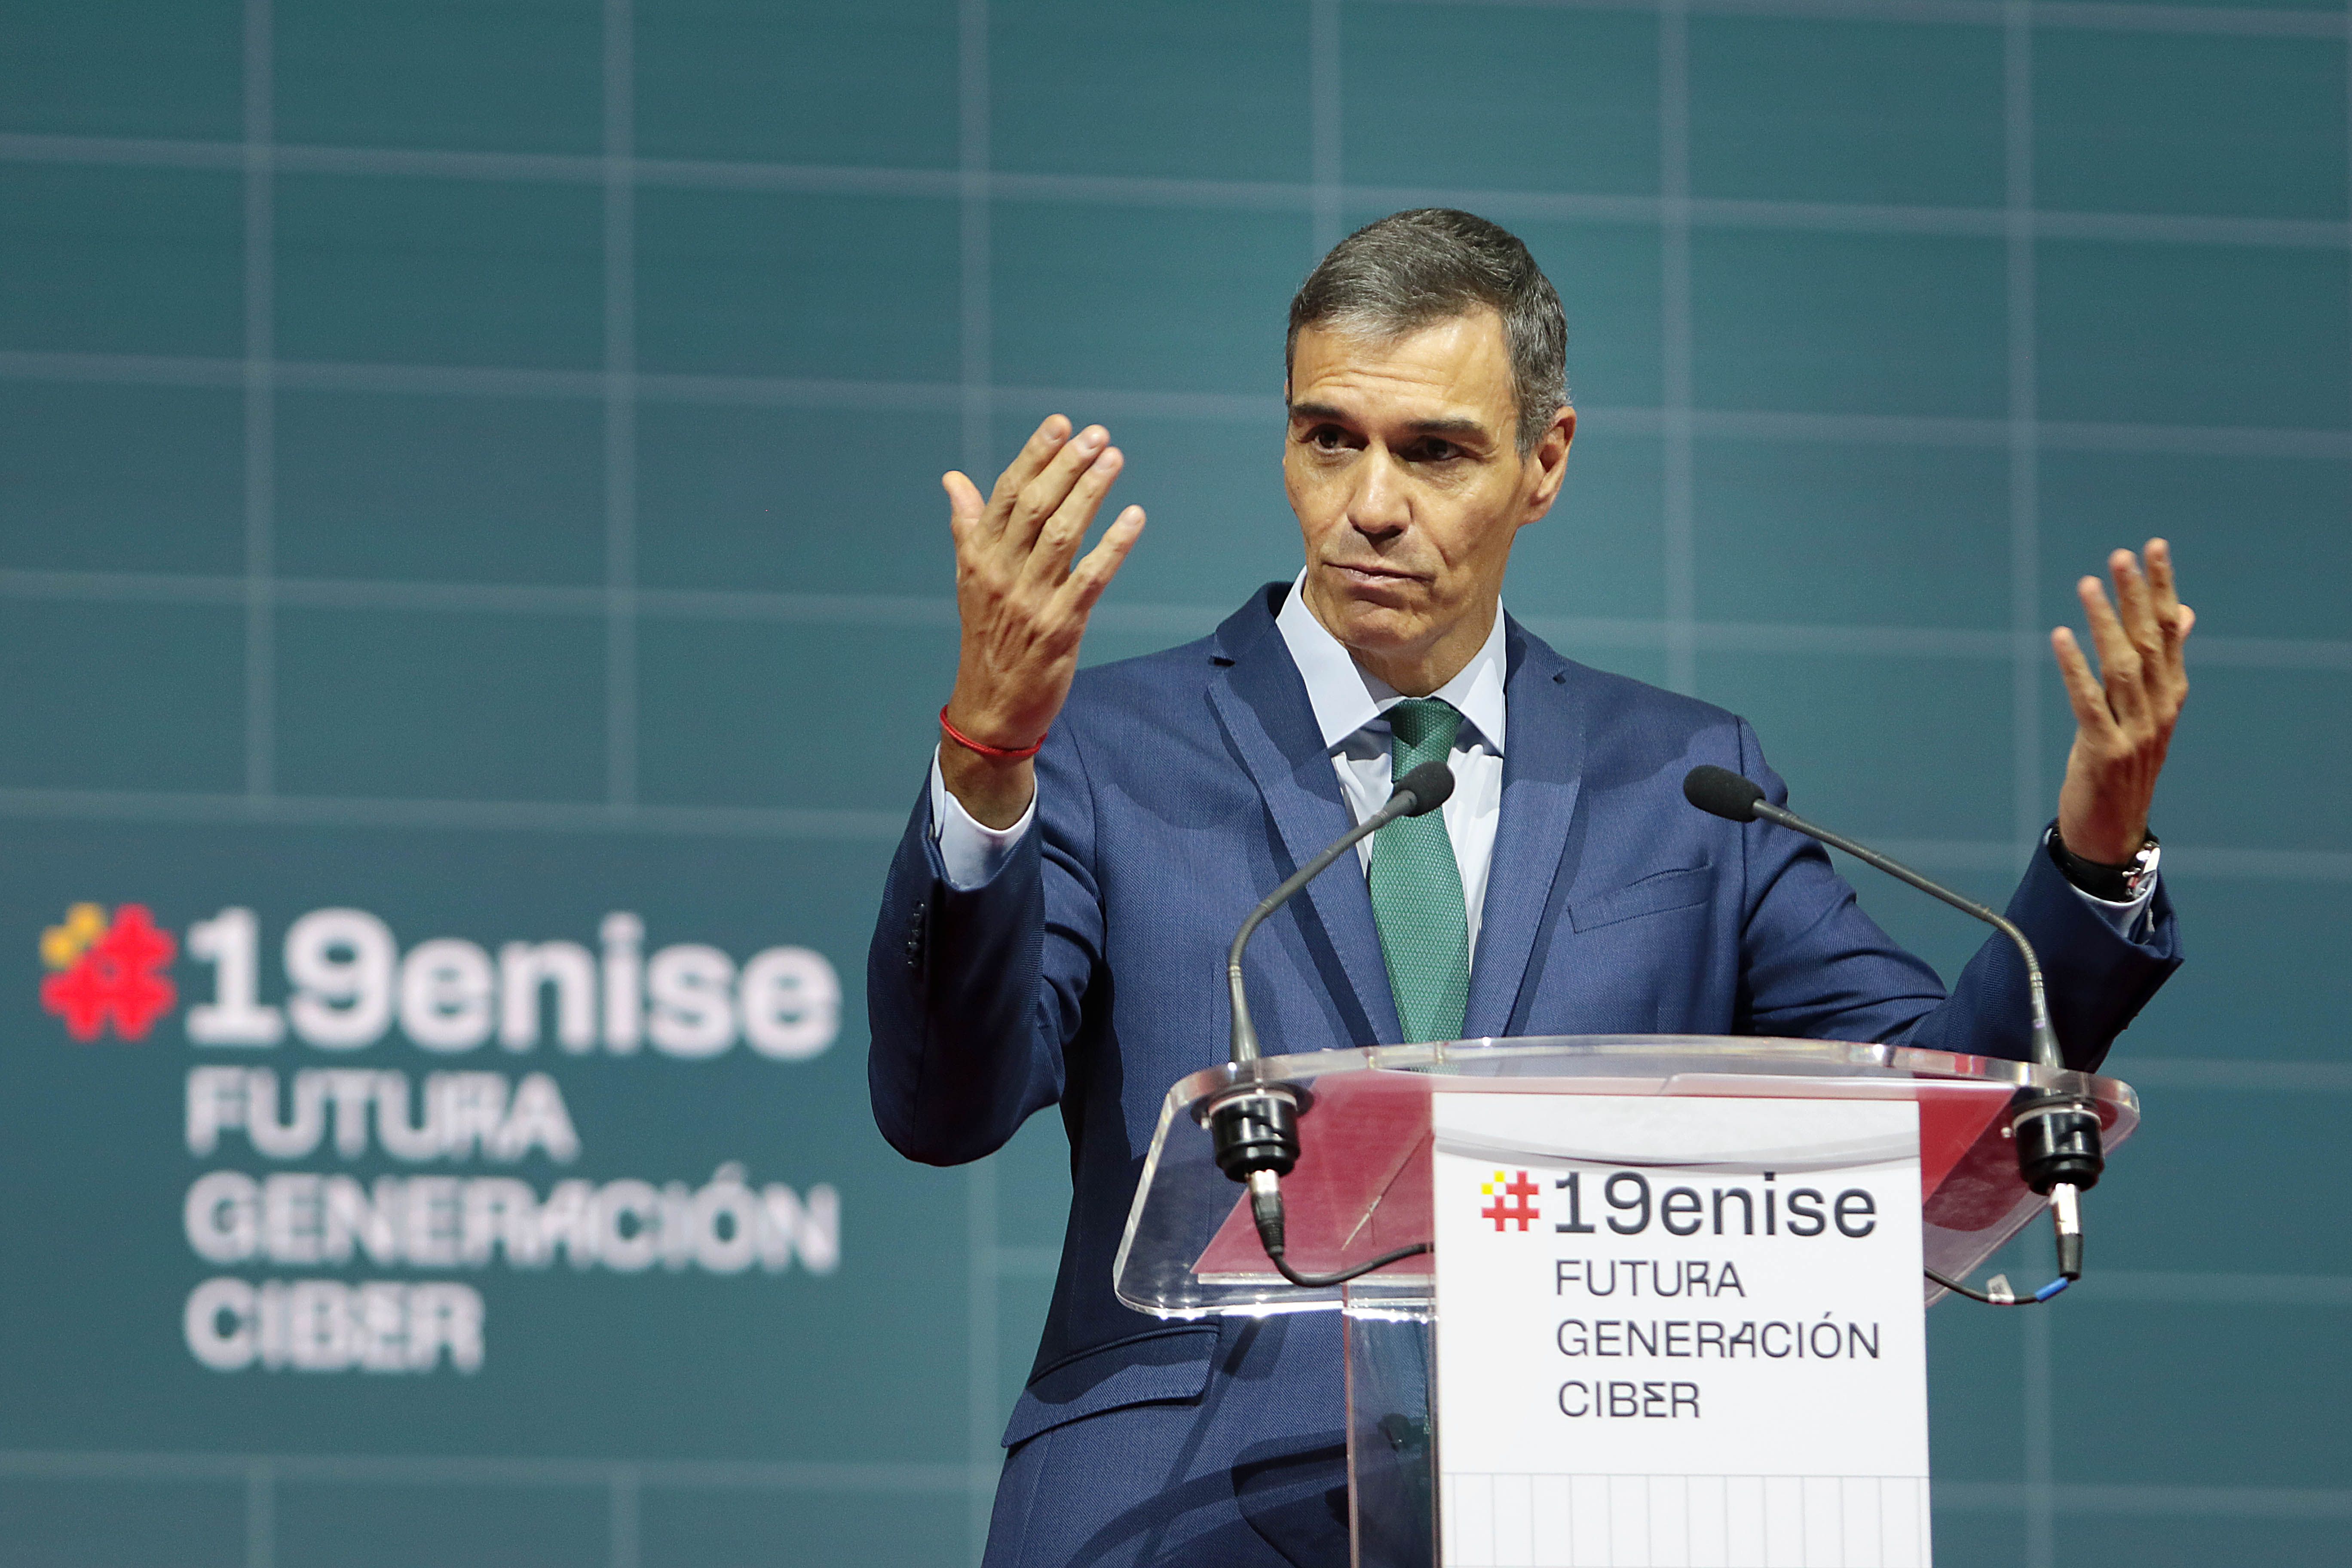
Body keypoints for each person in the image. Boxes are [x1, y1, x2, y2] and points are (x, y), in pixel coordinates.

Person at [867, 209, 2188, 1568]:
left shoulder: (1685, 780)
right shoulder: (1099, 751)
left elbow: (1948, 1107)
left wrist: (2091, 859)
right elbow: (943, 1108)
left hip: (1591, 1510)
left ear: (1544, 463)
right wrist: (983, 767)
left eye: (1433, 451)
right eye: (1331, 438)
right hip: (1171, 1520)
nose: (1370, 503)